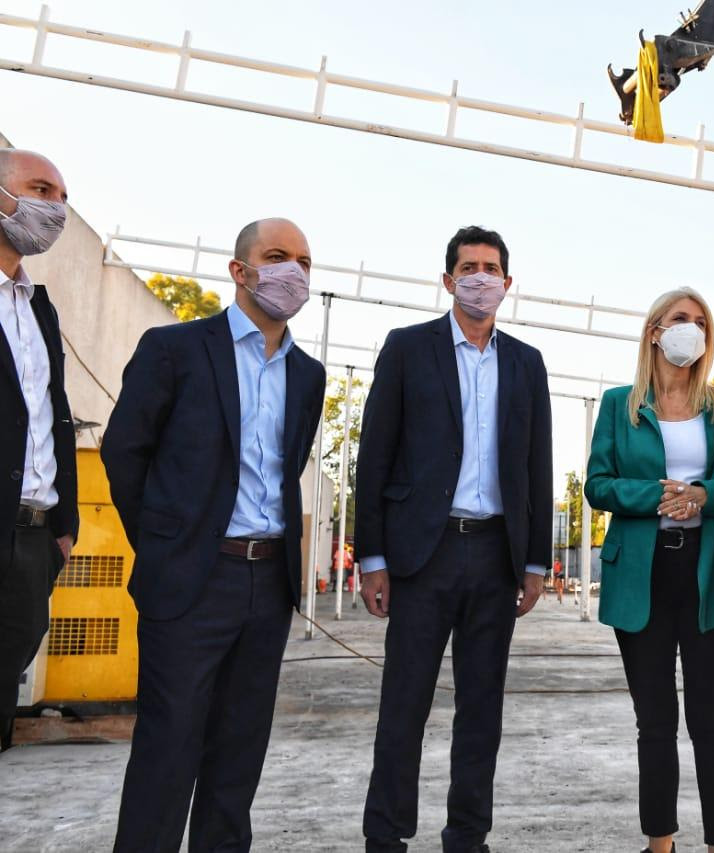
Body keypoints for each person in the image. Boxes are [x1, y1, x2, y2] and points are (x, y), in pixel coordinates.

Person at [102, 218, 326, 851]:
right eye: (277, 256)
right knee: (168, 748)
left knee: (238, 755)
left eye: (304, 262)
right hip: (192, 582)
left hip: (267, 582)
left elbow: (286, 469)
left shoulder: (308, 375)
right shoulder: (174, 349)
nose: (293, 272)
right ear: (240, 270)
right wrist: (167, 546)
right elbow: (125, 453)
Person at [356, 225, 552, 853]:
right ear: (448, 280)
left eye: (491, 268)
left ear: (507, 283)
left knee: (481, 709)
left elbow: (538, 466)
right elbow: (374, 454)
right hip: (423, 553)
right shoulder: (408, 348)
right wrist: (372, 555)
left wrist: (537, 561)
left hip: (496, 554)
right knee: (404, 704)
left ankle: (468, 837)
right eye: (469, 268)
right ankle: (386, 837)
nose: (480, 278)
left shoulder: (526, 362)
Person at [585, 287, 714, 853]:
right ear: (654, 331)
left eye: (701, 322)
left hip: (710, 573)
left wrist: (703, 495)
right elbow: (597, 485)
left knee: (712, 719)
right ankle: (660, 844)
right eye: (681, 319)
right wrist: (656, 496)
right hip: (643, 572)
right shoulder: (619, 404)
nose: (693, 330)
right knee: (655, 719)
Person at [0, 148, 76, 752]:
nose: (55, 209)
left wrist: (63, 527)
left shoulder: (37, 308)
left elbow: (51, 417)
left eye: (62, 198)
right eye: (41, 190)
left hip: (32, 541)